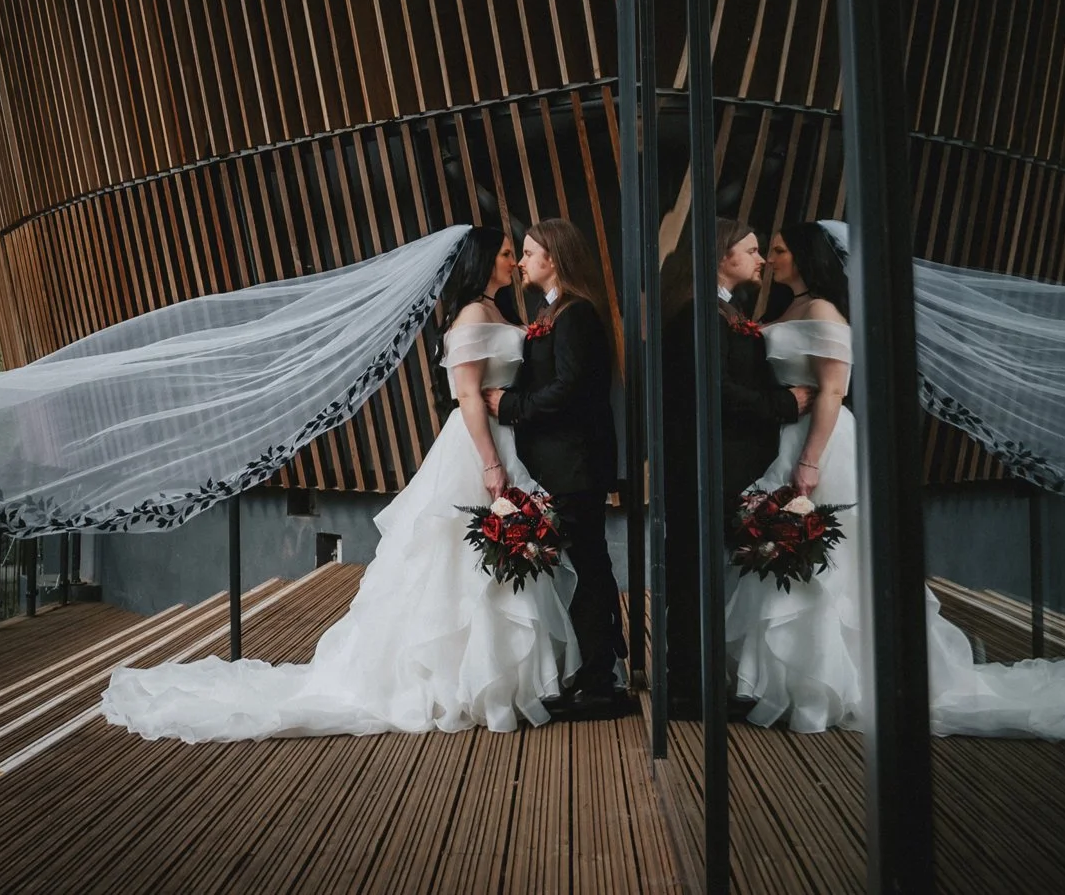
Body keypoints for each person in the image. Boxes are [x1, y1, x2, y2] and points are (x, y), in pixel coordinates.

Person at [724, 221, 1065, 741]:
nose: (771, 258)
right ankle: (790, 682)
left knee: (831, 566)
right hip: (785, 437)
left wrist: (810, 462)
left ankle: (830, 684)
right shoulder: (786, 310)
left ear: (805, 256)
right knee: (787, 554)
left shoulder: (823, 311)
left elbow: (831, 391)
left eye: (778, 250)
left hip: (818, 444)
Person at [99, 226, 581, 739]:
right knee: (457, 563)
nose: (514, 261)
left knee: (488, 565)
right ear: (484, 261)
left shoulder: (499, 311)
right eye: (508, 254)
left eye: (517, 253)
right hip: (478, 447)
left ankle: (504, 678)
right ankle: (464, 681)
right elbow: (466, 397)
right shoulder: (470, 317)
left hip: (505, 438)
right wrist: (490, 465)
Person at [658, 219, 811, 720]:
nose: (761, 258)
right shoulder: (699, 314)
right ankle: (688, 690)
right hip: (703, 467)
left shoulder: (727, 310)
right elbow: (715, 391)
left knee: (710, 571)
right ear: (723, 256)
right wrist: (784, 404)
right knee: (693, 574)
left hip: (726, 466)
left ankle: (707, 680)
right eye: (750, 249)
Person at [485, 217, 628, 719]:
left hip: (575, 464)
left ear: (554, 259)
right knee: (586, 565)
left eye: (528, 252)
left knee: (586, 568)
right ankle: (599, 672)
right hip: (563, 464)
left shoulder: (576, 315)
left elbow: (571, 388)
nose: (521, 261)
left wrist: (510, 405)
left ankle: (601, 686)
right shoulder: (556, 312)